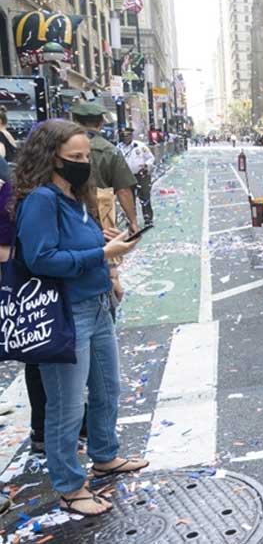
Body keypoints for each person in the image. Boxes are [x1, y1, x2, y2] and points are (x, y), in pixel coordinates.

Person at [12, 119, 148, 517]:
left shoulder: (75, 195)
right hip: (65, 313)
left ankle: (105, 455)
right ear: (50, 157)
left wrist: (104, 245)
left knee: (108, 389)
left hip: (98, 303)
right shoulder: (41, 199)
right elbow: (40, 258)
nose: (84, 163)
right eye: (75, 157)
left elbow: (73, 242)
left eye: (86, 156)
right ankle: (70, 486)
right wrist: (100, 255)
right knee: (67, 406)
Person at [71, 102, 139, 235]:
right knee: (106, 250)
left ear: (74, 121)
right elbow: (123, 190)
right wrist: (133, 221)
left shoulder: (61, 147)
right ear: (101, 122)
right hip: (101, 210)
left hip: (69, 209)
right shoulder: (110, 150)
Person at [118, 128, 155, 226]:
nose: (126, 137)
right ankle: (131, 219)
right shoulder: (118, 148)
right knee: (129, 199)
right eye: (124, 135)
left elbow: (151, 158)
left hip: (141, 175)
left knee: (145, 196)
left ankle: (148, 218)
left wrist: (146, 165)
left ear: (131, 136)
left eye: (128, 135)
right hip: (126, 176)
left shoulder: (140, 146)